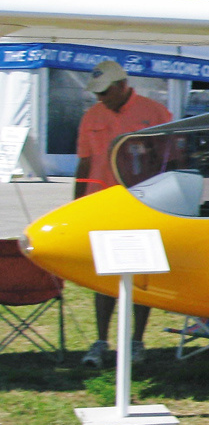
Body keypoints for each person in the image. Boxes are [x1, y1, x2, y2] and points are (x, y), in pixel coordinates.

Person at [75, 60, 171, 367]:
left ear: (121, 85)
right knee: (104, 276)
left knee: (140, 274)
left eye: (104, 92)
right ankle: (101, 340)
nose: (100, 98)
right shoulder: (91, 116)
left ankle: (136, 342)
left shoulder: (155, 113)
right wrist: (77, 206)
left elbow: (171, 159)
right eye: (97, 94)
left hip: (142, 204)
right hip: (103, 205)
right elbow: (84, 163)